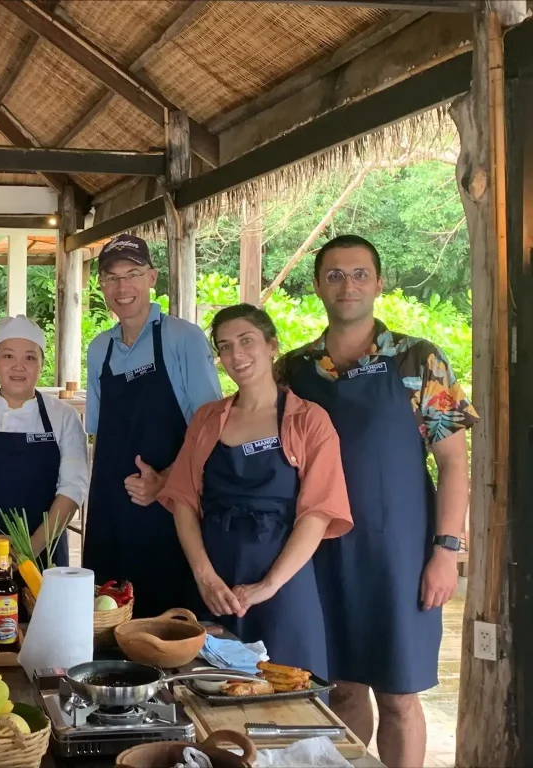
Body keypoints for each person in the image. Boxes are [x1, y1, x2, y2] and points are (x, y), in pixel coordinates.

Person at [277, 235, 477, 767]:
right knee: (338, 689)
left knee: (398, 696)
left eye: (360, 274)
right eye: (336, 275)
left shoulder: (419, 359)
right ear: (318, 285)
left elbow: (455, 462)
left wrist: (446, 551)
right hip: (318, 553)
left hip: (401, 555)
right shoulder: (295, 370)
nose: (348, 285)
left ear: (379, 283)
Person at [158, 304, 353, 678]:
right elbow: (182, 500)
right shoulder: (207, 419)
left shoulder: (308, 420)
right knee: (208, 690)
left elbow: (318, 512)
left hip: (284, 584)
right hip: (212, 577)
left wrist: (268, 585)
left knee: (290, 691)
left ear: (271, 346)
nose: (236, 355)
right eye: (225, 346)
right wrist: (205, 577)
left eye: (246, 341)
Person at [83, 234, 222, 619]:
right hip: (111, 509)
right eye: (111, 278)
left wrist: (165, 482)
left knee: (165, 621)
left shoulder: (183, 338)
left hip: (169, 509)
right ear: (101, 286)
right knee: (106, 616)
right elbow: (99, 433)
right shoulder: (100, 348)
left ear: (152, 278)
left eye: (132, 274)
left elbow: (209, 430)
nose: (122, 287)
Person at [0, 315, 89, 567]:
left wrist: (30, 548)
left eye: (30, 358)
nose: (18, 366)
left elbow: (72, 488)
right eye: (8, 356)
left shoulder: (64, 417)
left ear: (42, 365)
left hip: (45, 551)